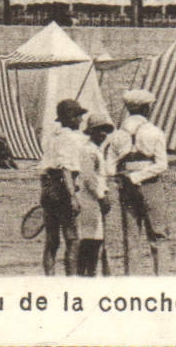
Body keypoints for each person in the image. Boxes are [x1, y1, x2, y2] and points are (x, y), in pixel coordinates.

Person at [105, 88, 169, 275]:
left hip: (125, 186)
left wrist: (125, 177)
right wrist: (138, 177)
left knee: (131, 236)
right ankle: (162, 278)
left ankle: (132, 280)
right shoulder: (155, 132)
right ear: (147, 108)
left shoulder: (117, 135)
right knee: (158, 235)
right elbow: (161, 165)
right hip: (150, 184)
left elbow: (109, 167)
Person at [36, 99, 87, 275]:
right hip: (64, 189)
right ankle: (70, 279)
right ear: (71, 118)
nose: (81, 120)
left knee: (52, 240)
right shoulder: (72, 139)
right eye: (78, 116)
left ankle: (50, 278)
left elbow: (43, 170)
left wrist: (46, 192)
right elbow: (66, 169)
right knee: (72, 239)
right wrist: (72, 197)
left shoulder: (52, 139)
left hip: (48, 188)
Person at [76, 112, 115, 276]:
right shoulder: (87, 150)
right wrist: (101, 196)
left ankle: (90, 273)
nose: (103, 134)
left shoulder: (97, 150)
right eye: (99, 130)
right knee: (90, 240)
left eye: (105, 130)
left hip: (96, 199)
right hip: (88, 199)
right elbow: (89, 177)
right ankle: (86, 274)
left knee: (96, 239)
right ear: (91, 131)